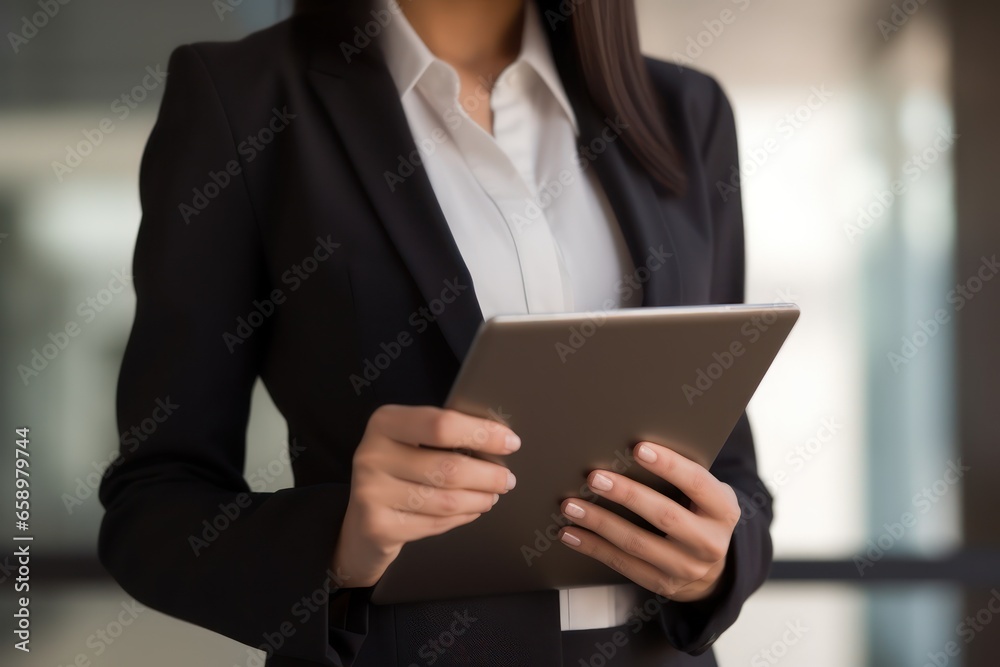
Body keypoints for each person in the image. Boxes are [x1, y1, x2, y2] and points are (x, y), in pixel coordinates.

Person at [98, 0, 774, 664]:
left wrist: (714, 563)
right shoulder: (244, 99)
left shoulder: (687, 110)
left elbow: (730, 469)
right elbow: (154, 506)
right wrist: (340, 542)